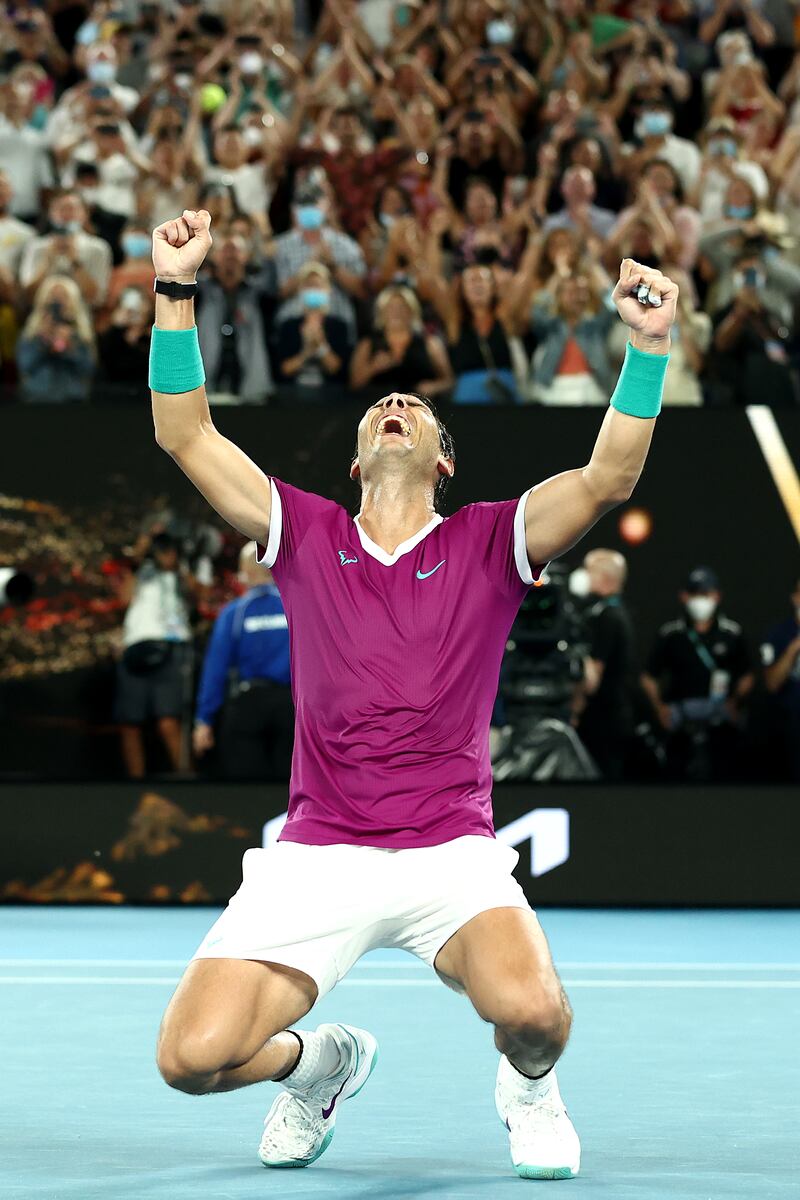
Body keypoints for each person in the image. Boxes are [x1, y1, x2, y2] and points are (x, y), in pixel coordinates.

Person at [148, 205, 677, 1182]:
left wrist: (645, 348)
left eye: (414, 408)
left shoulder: (489, 538)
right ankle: (322, 1064)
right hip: (317, 854)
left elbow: (607, 475)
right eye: (377, 407)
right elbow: (183, 431)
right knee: (190, 1059)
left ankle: (524, 1089)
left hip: (448, 852)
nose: (394, 402)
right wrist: (175, 287)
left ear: (440, 457)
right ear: (356, 461)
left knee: (532, 1018)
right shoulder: (303, 532)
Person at [641, 567, 754, 780]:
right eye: (695, 594)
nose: (701, 600)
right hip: (681, 719)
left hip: (719, 719)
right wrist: (659, 709)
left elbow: (747, 675)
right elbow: (648, 677)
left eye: (706, 594)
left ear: (717, 596)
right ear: (684, 596)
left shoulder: (732, 633)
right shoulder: (671, 634)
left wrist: (735, 702)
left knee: (724, 774)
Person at [194, 542, 293, 780]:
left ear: (245, 573)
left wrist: (204, 720)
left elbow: (215, 669)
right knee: (292, 785)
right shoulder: (296, 606)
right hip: (293, 705)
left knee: (247, 782)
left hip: (250, 704)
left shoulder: (235, 612)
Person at [114, 530, 199, 780]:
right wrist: (138, 557)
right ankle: (136, 785)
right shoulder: (140, 573)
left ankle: (187, 780)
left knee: (168, 721)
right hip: (135, 648)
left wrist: (177, 565)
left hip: (172, 648)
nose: (164, 553)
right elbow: (123, 599)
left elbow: (197, 596)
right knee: (129, 724)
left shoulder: (181, 576)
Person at [576, 549, 635, 780]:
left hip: (603, 724)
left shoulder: (606, 617)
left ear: (604, 578)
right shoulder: (616, 612)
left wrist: (576, 709)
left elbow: (593, 679)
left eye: (588, 571)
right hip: (612, 719)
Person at [274, 261, 350, 402]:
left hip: (331, 398)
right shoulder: (288, 326)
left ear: (328, 290)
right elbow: (284, 369)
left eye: (318, 285)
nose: (314, 289)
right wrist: (306, 353)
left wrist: (321, 346)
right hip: (293, 397)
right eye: (309, 285)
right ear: (300, 291)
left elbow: (337, 369)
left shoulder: (339, 327)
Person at [16, 275, 96, 403]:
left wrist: (70, 347)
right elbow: (25, 366)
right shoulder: (31, 334)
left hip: (73, 399)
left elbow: (87, 369)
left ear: (73, 301)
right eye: (53, 296)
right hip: (37, 398)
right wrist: (43, 342)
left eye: (64, 296)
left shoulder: (81, 334)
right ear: (43, 300)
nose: (58, 301)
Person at [760, 576, 800, 781]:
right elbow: (772, 684)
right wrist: (794, 648)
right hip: (789, 728)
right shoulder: (778, 635)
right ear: (795, 598)